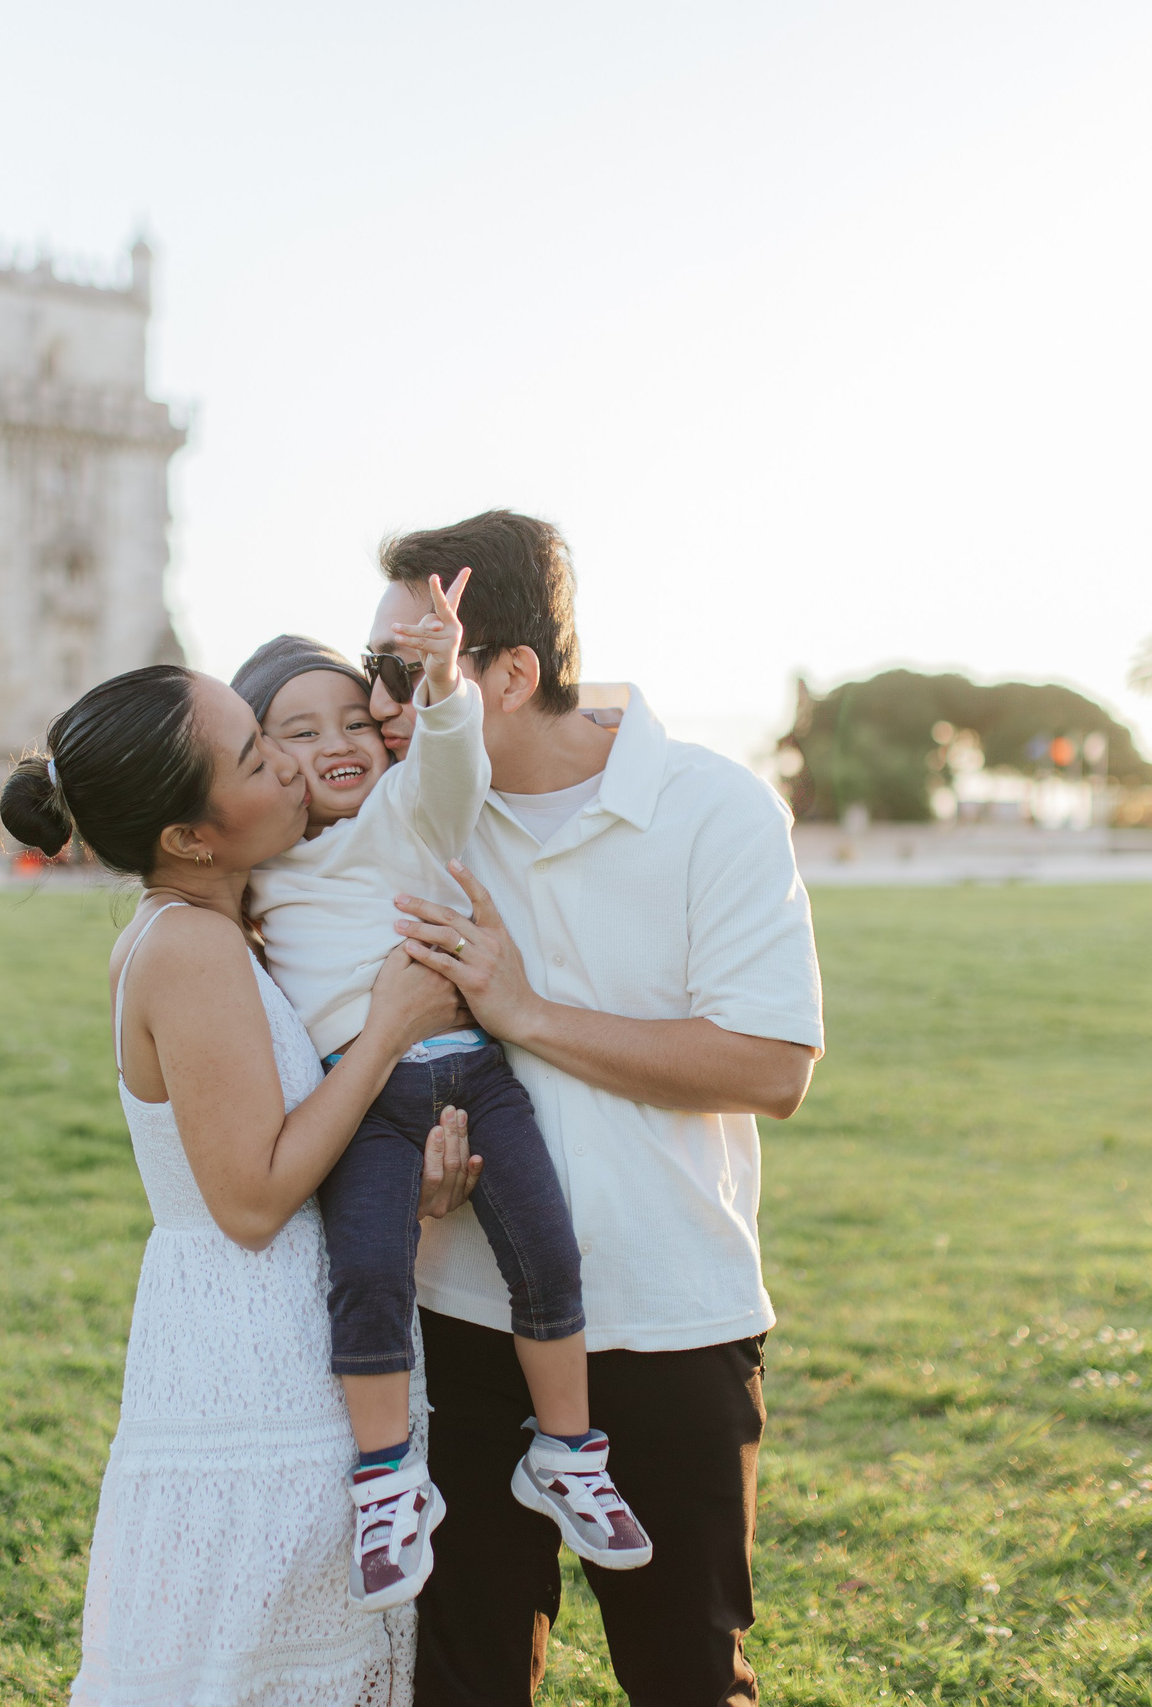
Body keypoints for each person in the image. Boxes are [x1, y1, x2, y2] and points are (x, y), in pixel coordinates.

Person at [363, 511, 826, 1704]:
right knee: (461, 1685)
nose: (377, 707)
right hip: (463, 1316)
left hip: (670, 1317)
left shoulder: (715, 806)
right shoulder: (420, 813)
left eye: (405, 672)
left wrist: (524, 1010)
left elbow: (770, 1066)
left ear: (510, 675)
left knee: (685, 1678)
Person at [0, 664, 485, 1705]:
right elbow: (254, 1201)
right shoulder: (189, 947)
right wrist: (391, 1027)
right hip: (256, 1358)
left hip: (260, 1334)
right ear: (189, 837)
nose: (293, 768)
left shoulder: (206, 929)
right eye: (258, 758)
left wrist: (401, 1186)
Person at [231, 570, 649, 1616]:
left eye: (353, 720)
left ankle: (567, 1452)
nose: (338, 741)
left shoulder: (406, 813)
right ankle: (386, 1480)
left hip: (475, 1074)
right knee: (368, 1276)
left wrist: (445, 679)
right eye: (296, 732)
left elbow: (453, 763)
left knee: (546, 1253)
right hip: (364, 1100)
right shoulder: (259, 873)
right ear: (257, 758)